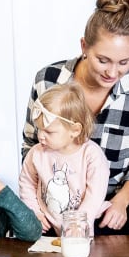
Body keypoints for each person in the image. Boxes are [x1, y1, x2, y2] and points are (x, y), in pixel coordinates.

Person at [21, 0, 129, 234]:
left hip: (109, 214)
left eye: (124, 62)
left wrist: (121, 202)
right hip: (51, 214)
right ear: (84, 46)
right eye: (103, 60)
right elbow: (31, 148)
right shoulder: (48, 81)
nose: (112, 71)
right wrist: (36, 210)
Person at [18, 82, 109, 234]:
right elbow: (26, 183)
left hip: (83, 221)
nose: (40, 136)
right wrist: (34, 212)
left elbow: (95, 195)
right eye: (39, 129)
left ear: (75, 130)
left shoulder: (91, 155)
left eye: (49, 131)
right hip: (47, 221)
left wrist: (78, 223)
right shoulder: (37, 153)